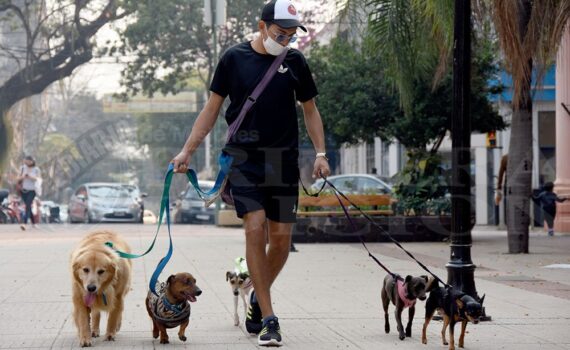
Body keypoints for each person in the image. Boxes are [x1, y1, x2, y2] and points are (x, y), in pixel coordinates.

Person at [171, 0, 330, 346]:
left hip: (282, 161)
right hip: (243, 159)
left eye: (291, 35)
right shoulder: (233, 59)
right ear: (262, 27)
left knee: (283, 242)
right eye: (279, 33)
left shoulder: (295, 61)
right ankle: (269, 319)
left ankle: (258, 295)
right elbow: (211, 110)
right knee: (255, 228)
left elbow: (311, 110)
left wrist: (320, 154)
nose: (285, 40)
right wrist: (187, 151)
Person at [17, 155, 41, 230]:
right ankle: (34, 223)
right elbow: (18, 178)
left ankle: (24, 223)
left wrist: (30, 177)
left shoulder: (36, 169)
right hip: (23, 190)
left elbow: (38, 179)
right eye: (26, 160)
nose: (27, 162)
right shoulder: (22, 168)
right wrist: (23, 176)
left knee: (28, 205)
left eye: (29, 161)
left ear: (32, 161)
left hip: (32, 190)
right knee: (28, 207)